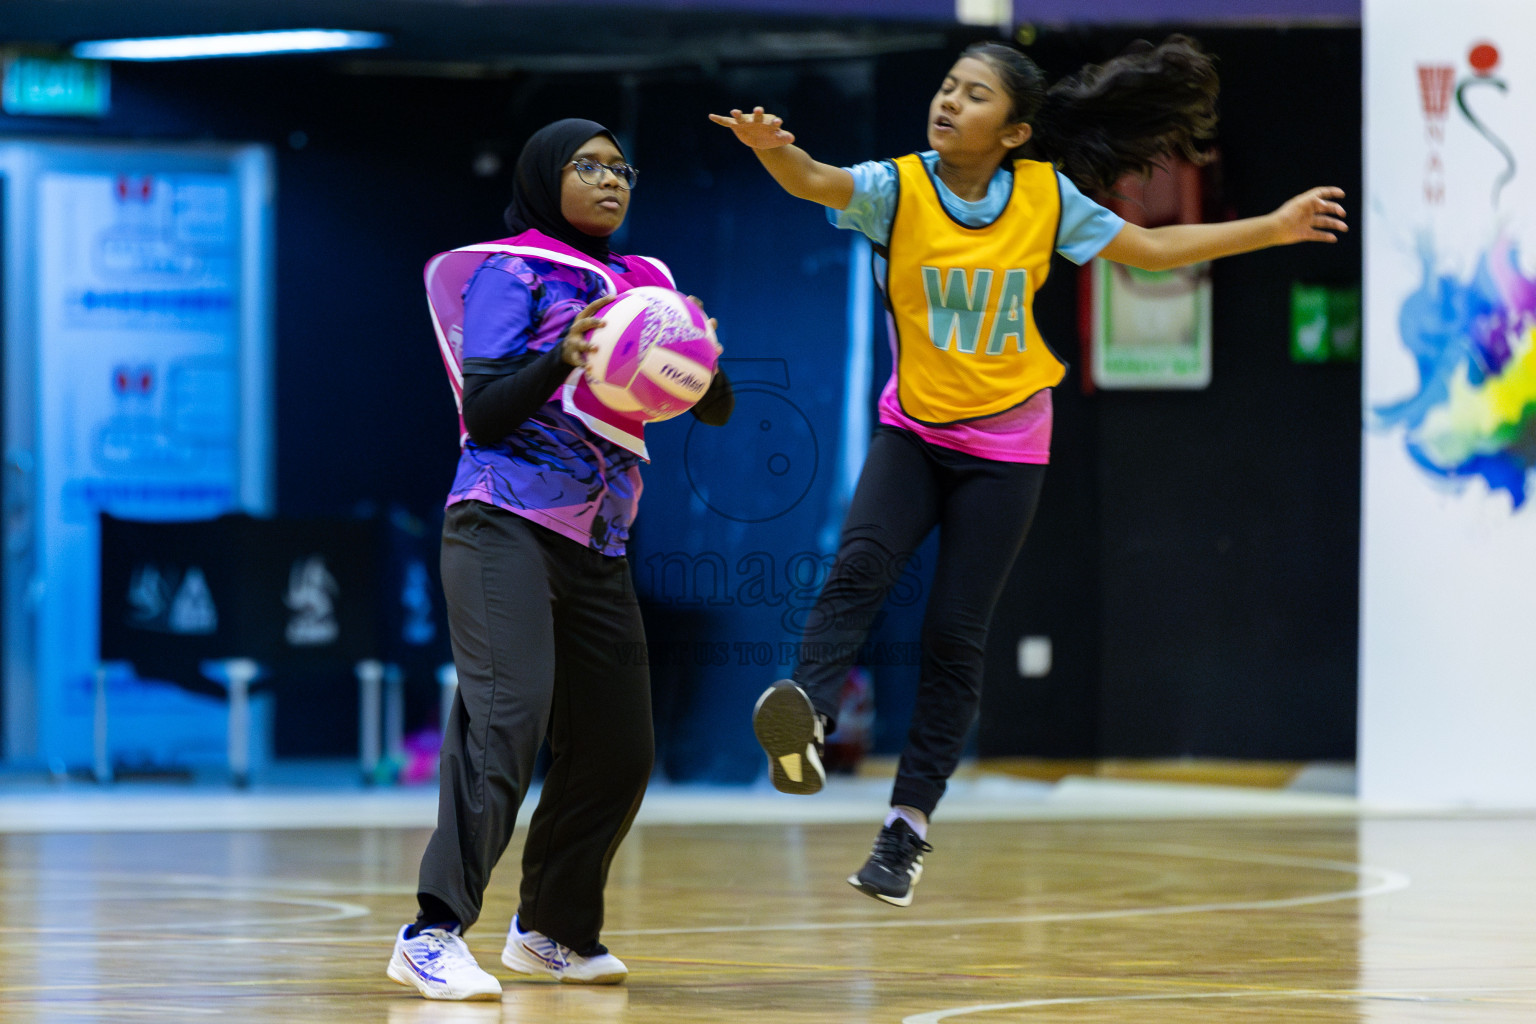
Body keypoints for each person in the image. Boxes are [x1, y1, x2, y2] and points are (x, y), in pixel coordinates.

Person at [710, 37, 1346, 907]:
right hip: (916, 431)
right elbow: (819, 181)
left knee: (954, 638)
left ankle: (905, 833)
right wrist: (775, 150)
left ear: (1012, 133)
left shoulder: (1046, 199)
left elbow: (1154, 253)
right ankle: (808, 718)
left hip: (1008, 448)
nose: (947, 102)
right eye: (945, 87)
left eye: (973, 96)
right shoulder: (897, 188)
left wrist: (1273, 227)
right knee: (859, 565)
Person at [388, 118, 733, 1000]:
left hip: (599, 545)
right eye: (589, 166)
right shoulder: (513, 269)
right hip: (501, 524)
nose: (612, 180)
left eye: (623, 167)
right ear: (548, 177)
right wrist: (562, 354)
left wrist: (704, 359)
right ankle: (430, 933)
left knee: (620, 747)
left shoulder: (645, 280)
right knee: (507, 720)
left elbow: (716, 409)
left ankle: (550, 931)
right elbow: (488, 413)